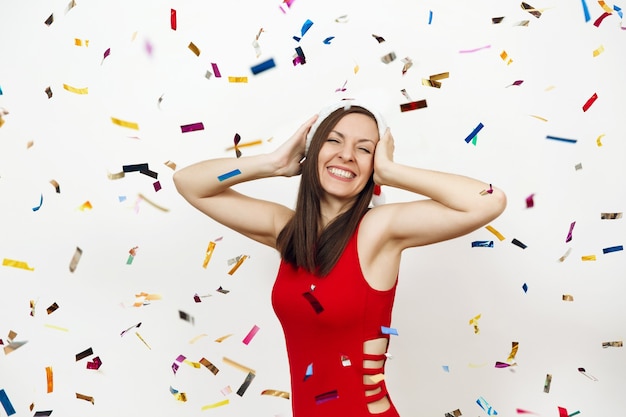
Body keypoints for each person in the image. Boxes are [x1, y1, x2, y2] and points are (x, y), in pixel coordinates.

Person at [173, 100, 507, 417]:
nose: (347, 155)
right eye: (334, 141)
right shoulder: (287, 231)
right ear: (312, 149)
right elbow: (189, 183)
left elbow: (488, 201)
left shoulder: (378, 230)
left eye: (364, 149)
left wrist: (392, 171)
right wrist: (273, 163)